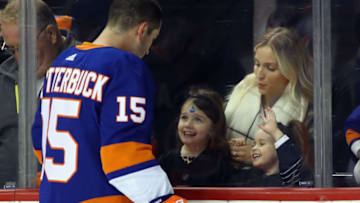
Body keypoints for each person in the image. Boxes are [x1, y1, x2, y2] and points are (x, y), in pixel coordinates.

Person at [31, 0, 186, 202]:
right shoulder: (124, 66)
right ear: (143, 29)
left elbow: (39, 141)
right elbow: (125, 157)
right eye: (152, 39)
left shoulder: (61, 63)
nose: (148, 50)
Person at [0, 0, 78, 188]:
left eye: (24, 47)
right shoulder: (3, 79)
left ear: (51, 34)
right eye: (12, 48)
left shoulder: (90, 69)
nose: (19, 57)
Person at [224, 27, 313, 166]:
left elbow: (306, 163)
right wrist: (227, 148)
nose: (259, 74)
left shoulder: (308, 108)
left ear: (290, 70)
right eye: (257, 64)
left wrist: (256, 156)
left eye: (270, 68)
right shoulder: (242, 91)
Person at [159, 86, 233, 186]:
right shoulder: (166, 161)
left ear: (213, 128)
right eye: (184, 118)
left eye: (198, 119)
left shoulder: (220, 164)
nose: (188, 124)